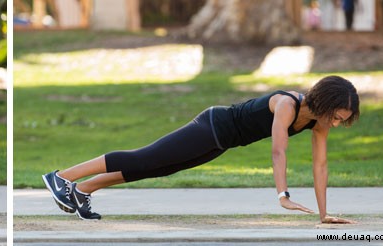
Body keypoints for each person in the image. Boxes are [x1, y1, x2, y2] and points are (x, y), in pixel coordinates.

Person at [43, 76, 359, 224]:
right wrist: (282, 196)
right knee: (146, 157)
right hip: (211, 126)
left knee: (159, 167)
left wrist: (323, 214)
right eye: (336, 117)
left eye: (341, 121)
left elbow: (321, 166)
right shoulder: (288, 105)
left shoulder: (316, 123)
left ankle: (82, 190)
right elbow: (279, 151)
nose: (334, 124)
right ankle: (61, 177)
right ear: (326, 103)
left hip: (222, 142)